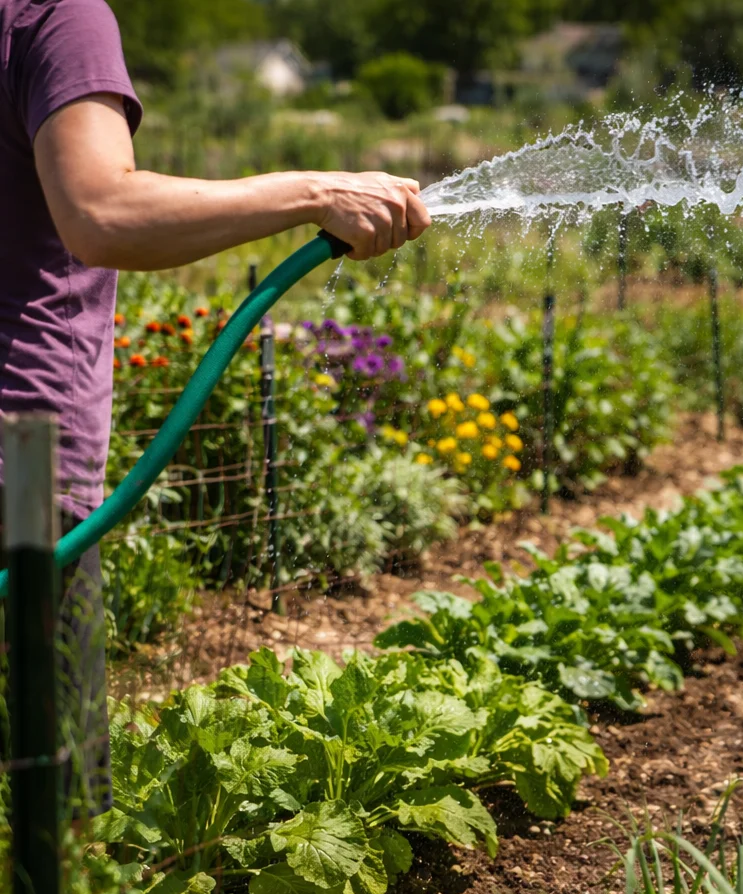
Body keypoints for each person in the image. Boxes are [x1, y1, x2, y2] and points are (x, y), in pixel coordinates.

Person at [0, 0, 431, 815]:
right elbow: (102, 213)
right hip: (18, 480)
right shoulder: (54, 14)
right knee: (56, 839)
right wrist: (316, 191)